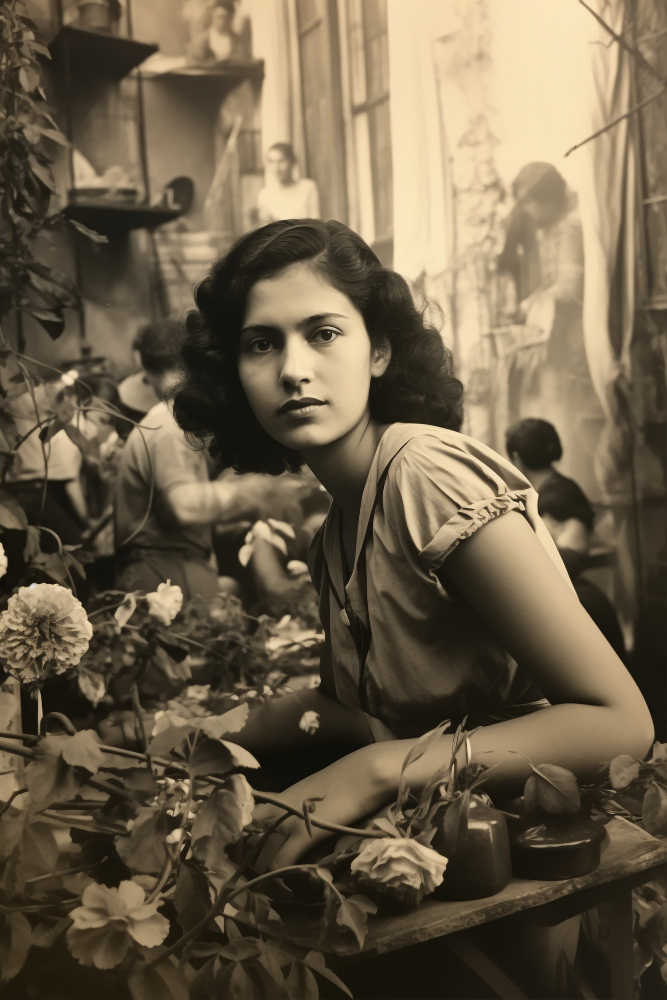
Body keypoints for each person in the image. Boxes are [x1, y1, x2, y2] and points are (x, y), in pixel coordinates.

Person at [172, 219, 651, 867]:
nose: (292, 370)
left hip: (532, 865)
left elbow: (620, 723)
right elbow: (352, 713)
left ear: (377, 351)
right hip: (441, 859)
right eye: (260, 344)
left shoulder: (425, 476)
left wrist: (376, 770)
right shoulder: (335, 531)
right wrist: (191, 733)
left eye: (323, 333)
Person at [114, 319, 240, 602]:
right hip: (168, 573)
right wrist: (254, 494)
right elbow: (184, 508)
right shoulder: (170, 425)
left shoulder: (165, 421)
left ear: (145, 369)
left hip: (165, 570)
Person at [507, 417, 626, 661]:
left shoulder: (559, 496)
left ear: (516, 458)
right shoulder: (547, 491)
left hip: (580, 609)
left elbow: (573, 551)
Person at [256, 143, 320, 224]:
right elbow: (265, 231)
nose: (276, 168)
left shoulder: (307, 187)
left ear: (292, 162)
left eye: (281, 161)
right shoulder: (265, 195)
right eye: (271, 162)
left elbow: (316, 225)